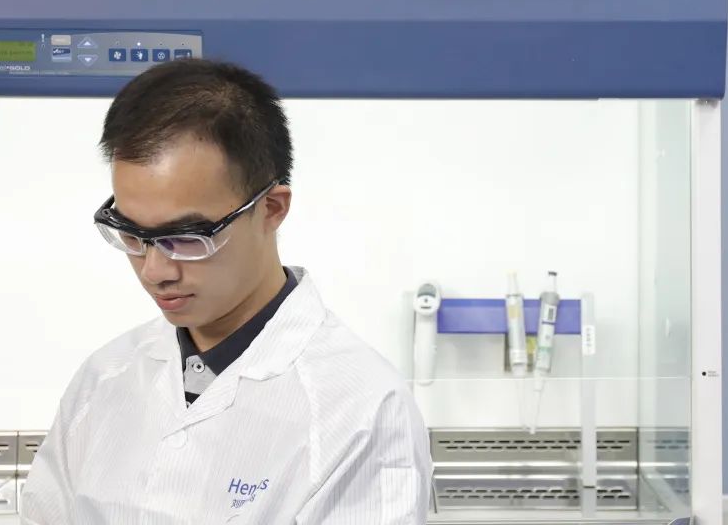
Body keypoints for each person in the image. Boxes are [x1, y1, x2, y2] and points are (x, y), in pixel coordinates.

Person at [21, 59, 432, 523]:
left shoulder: (362, 411)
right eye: (132, 234)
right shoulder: (104, 377)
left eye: (187, 237)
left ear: (271, 208)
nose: (155, 271)